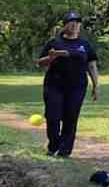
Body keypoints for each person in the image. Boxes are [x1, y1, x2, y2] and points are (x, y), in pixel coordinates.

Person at [35, 11, 100, 158]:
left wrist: (96, 85)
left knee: (70, 118)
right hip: (54, 85)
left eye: (77, 22)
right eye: (71, 22)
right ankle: (53, 145)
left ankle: (65, 151)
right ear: (64, 25)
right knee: (53, 117)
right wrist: (51, 57)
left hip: (77, 87)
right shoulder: (54, 42)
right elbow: (40, 63)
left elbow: (91, 65)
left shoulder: (84, 45)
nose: (75, 25)